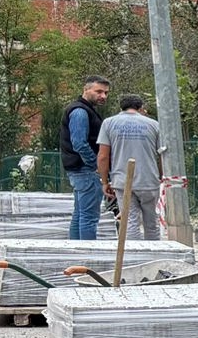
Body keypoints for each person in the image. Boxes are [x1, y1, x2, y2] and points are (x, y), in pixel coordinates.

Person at [96, 94, 165, 239]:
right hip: (149, 180)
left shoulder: (109, 123)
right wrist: (160, 176)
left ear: (121, 107)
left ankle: (134, 252)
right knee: (151, 222)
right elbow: (162, 156)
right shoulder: (154, 125)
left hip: (123, 181)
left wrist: (105, 181)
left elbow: (103, 156)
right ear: (141, 107)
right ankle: (154, 251)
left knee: (130, 221)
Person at [59, 77, 111, 239]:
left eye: (106, 93)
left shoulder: (84, 110)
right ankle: (88, 252)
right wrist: (96, 165)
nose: (103, 96)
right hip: (85, 170)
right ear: (86, 89)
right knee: (89, 217)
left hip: (79, 169)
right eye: (99, 91)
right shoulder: (80, 112)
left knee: (80, 214)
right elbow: (79, 143)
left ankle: (76, 250)